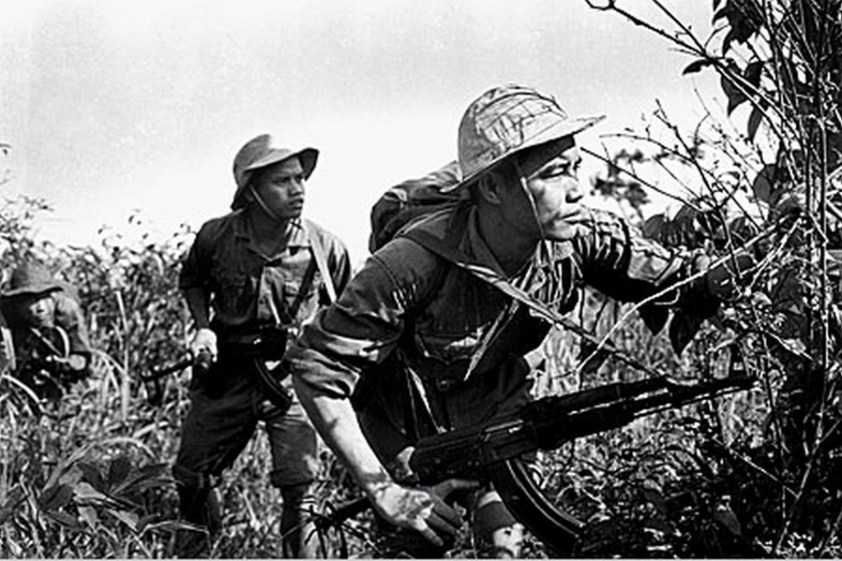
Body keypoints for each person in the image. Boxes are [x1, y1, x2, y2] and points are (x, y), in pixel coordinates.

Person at [287, 84, 751, 557]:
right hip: (405, 432)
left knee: (504, 547)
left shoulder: (579, 236)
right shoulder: (409, 265)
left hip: (498, 418)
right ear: (491, 187)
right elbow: (317, 374)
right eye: (553, 173)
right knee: (418, 545)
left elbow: (687, 281)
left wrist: (767, 252)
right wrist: (387, 491)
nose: (576, 189)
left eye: (575, 168)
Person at [173, 133, 352, 558]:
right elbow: (193, 279)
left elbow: (349, 311)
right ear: (251, 191)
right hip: (227, 374)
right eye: (283, 182)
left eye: (300, 179)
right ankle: (198, 551)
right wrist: (203, 328)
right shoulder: (216, 236)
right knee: (191, 477)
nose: (298, 190)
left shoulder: (323, 247)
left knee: (301, 489)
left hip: (291, 381)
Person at [0, 261, 91, 402]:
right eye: (31, 300)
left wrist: (65, 364)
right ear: (17, 302)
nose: (41, 307)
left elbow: (82, 356)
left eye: (44, 297)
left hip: (62, 375)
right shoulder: (7, 313)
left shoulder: (67, 310)